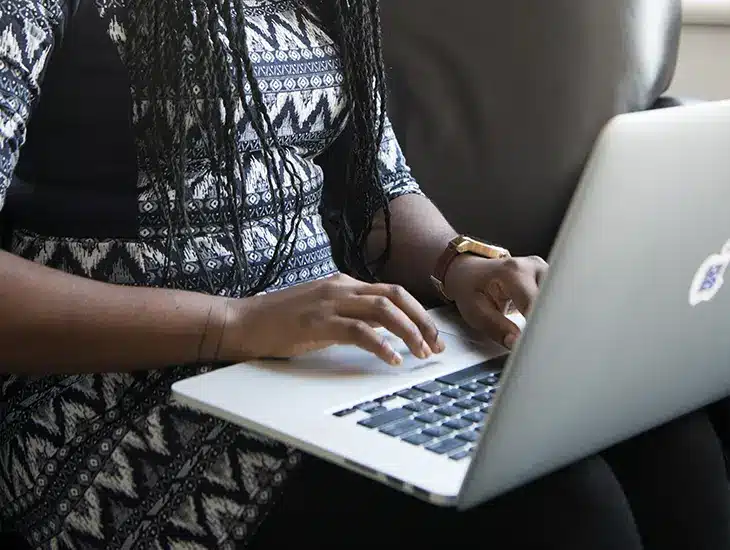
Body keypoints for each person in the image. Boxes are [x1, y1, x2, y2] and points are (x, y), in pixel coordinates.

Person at [0, 0, 729, 548]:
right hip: (114, 406)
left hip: (316, 363)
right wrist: (236, 325)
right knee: (564, 507)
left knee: (672, 444)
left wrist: (461, 263)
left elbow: (374, 187)